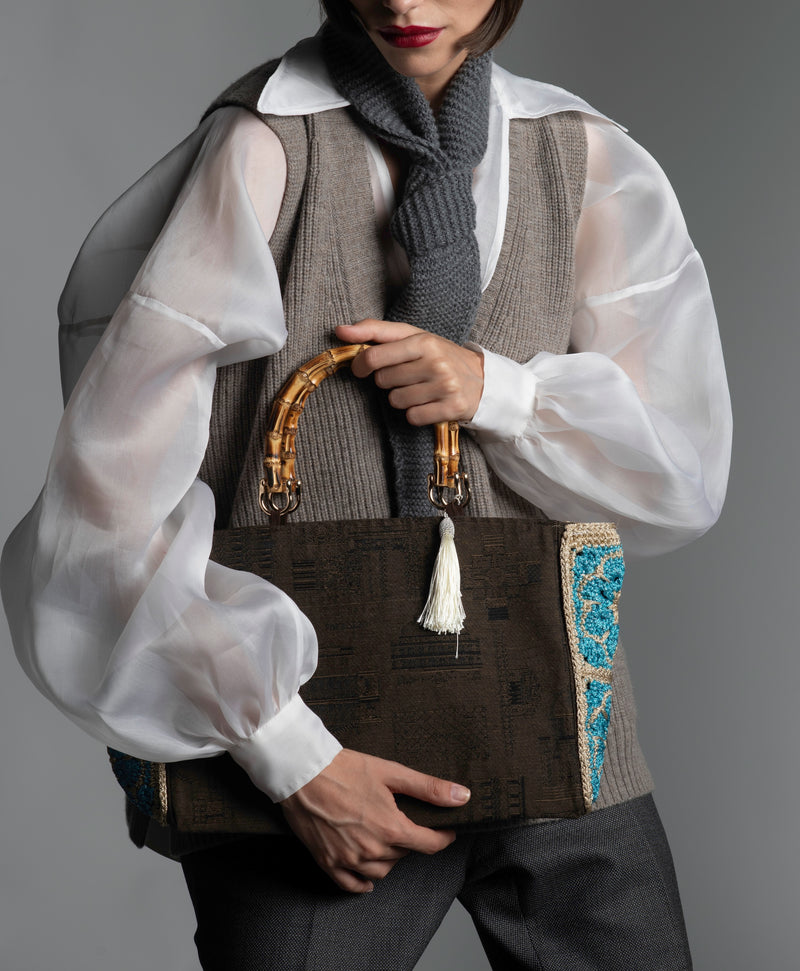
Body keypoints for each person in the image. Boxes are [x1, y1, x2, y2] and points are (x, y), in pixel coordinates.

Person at [1, 0, 731, 968]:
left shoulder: (582, 158)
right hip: (315, 762)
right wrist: (293, 760)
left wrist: (495, 390)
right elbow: (103, 507)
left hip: (554, 733)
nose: (404, 4)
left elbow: (679, 463)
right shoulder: (263, 150)